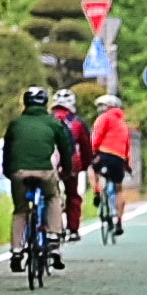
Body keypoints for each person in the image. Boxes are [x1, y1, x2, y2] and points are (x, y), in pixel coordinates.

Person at [1, 86, 73, 272]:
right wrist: (66, 170)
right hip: (44, 171)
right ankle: (53, 236)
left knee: (20, 209)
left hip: (19, 172)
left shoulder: (16, 124)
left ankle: (17, 250)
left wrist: (9, 172)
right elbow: (65, 149)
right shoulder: (53, 123)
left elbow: (7, 151)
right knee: (53, 197)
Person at [50, 89, 94, 241]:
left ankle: (51, 227)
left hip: (48, 161)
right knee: (73, 195)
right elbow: (86, 146)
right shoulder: (77, 122)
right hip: (72, 161)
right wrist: (86, 164)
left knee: (50, 194)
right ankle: (73, 229)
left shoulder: (47, 119)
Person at [90, 94, 130, 236]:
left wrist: (93, 153)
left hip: (104, 154)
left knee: (93, 169)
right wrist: (128, 164)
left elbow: (96, 137)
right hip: (119, 158)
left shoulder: (103, 118)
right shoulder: (123, 123)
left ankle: (96, 191)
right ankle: (119, 220)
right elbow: (127, 146)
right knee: (119, 189)